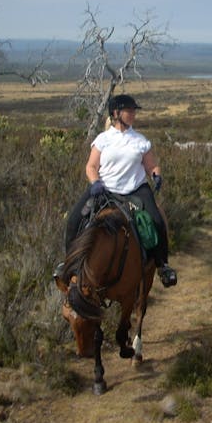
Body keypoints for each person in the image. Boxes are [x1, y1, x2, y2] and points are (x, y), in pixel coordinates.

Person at [62, 93, 177, 287]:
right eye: (129, 110)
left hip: (136, 189)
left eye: (133, 111)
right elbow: (91, 166)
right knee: (74, 220)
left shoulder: (140, 140)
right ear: (116, 113)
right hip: (105, 189)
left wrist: (156, 175)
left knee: (157, 220)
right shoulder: (103, 139)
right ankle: (68, 264)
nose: (133, 114)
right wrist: (95, 182)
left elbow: (151, 166)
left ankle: (162, 265)